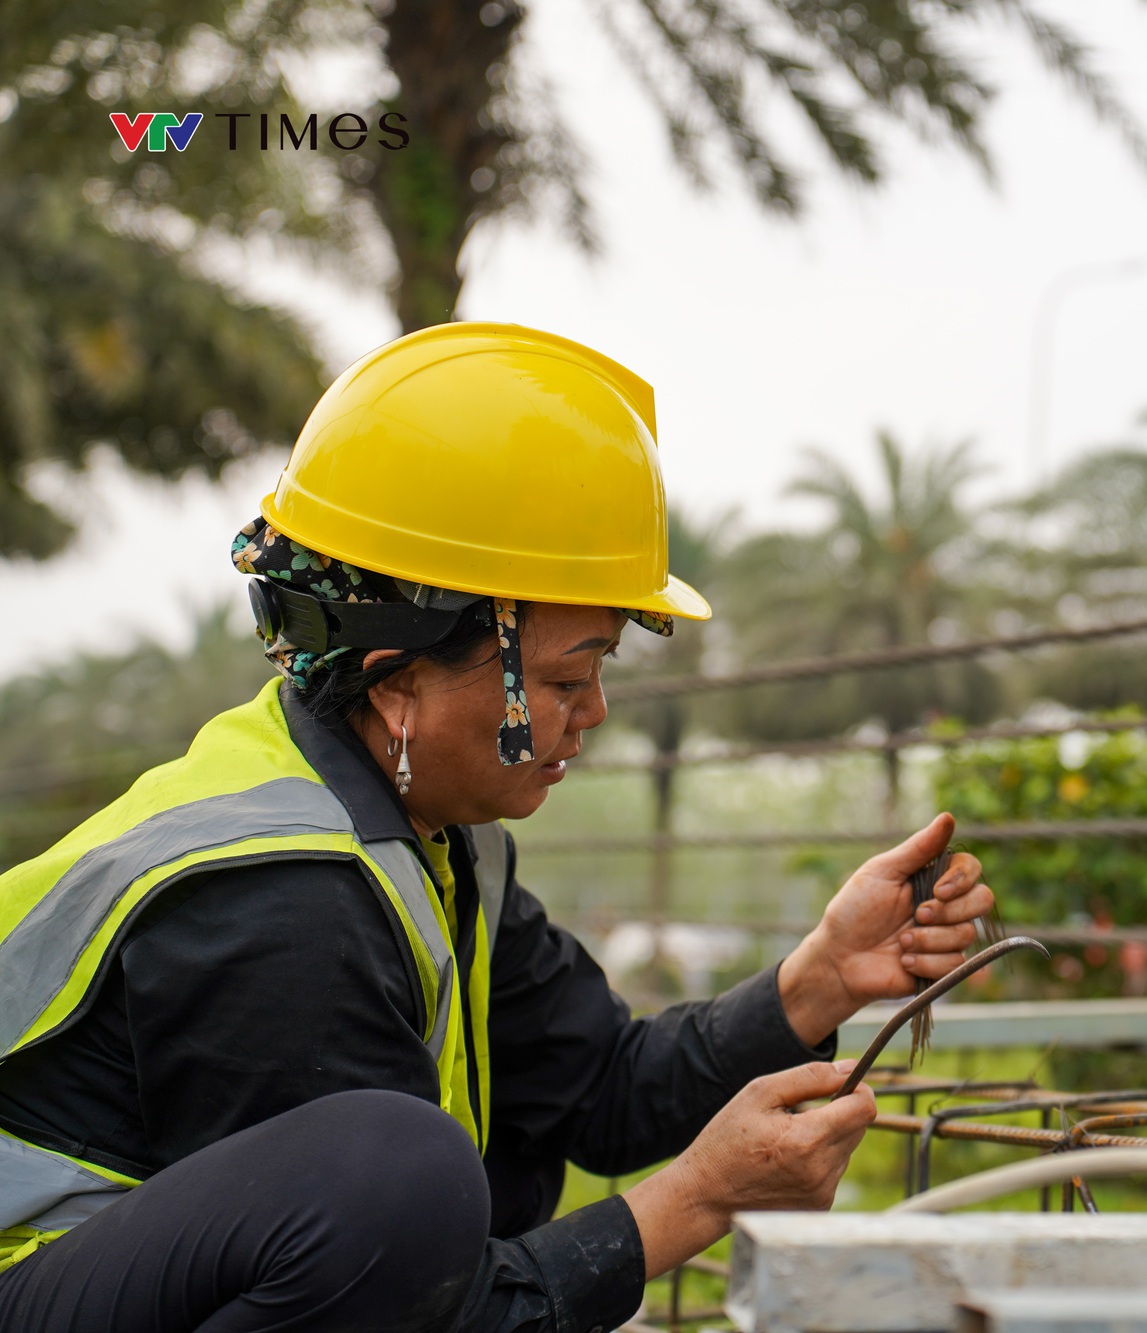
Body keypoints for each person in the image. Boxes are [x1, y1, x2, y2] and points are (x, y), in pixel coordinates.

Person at [0, 323, 998, 1330]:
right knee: (411, 1174)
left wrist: (820, 975)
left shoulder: (427, 833)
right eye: (566, 676)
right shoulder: (282, 904)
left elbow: (603, 1090)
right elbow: (395, 1295)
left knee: (475, 1166)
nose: (593, 711)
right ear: (400, 677)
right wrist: (698, 1197)